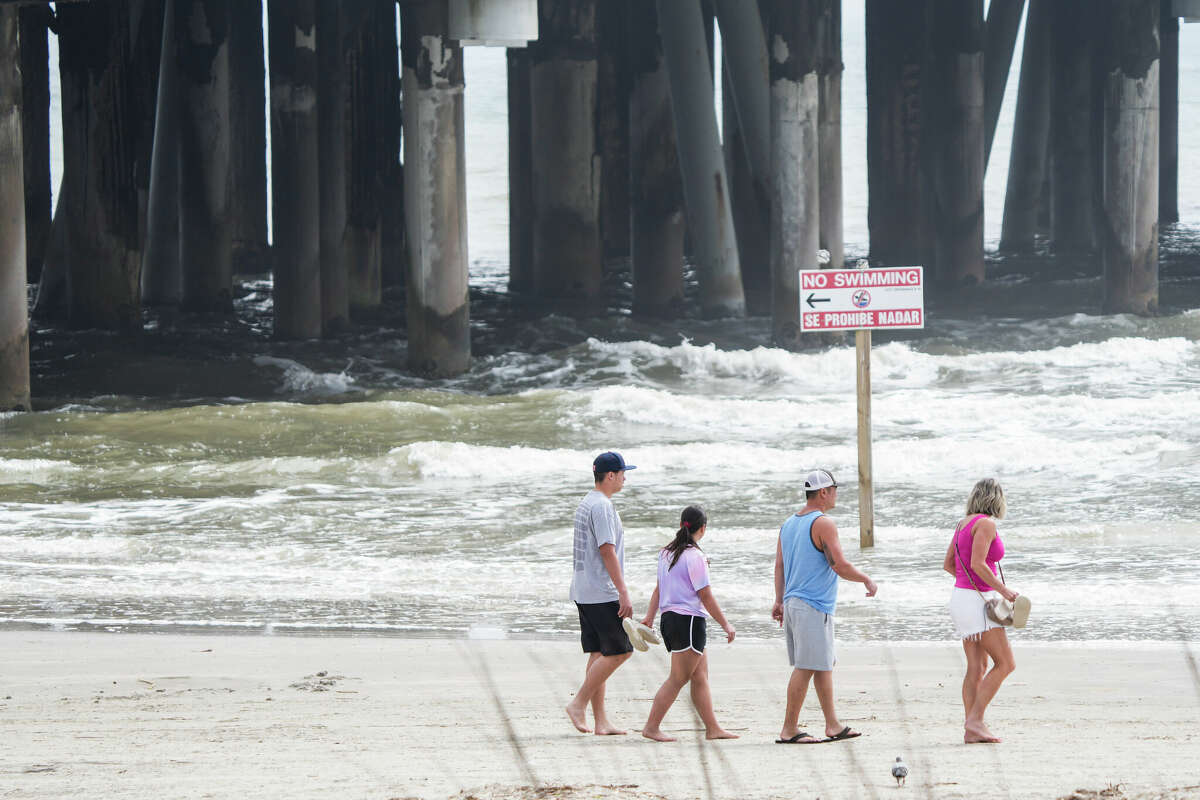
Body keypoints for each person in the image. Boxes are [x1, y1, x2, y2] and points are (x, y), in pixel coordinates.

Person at [772, 469, 877, 744]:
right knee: (807, 666)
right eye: (834, 489)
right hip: (812, 604)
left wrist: (778, 599)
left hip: (794, 602)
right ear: (823, 492)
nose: (836, 494)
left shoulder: (789, 523)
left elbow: (780, 566)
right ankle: (789, 729)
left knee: (823, 664)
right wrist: (866, 579)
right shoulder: (823, 523)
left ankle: (832, 724)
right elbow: (838, 564)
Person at [639, 505, 738, 742]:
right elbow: (706, 596)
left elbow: (659, 588)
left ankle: (713, 728)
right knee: (678, 679)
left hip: (669, 620)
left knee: (700, 676)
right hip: (689, 622)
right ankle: (651, 727)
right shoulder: (695, 557)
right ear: (702, 528)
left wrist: (650, 618)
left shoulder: (666, 553)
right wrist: (726, 625)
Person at [942, 477, 1024, 744]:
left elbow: (949, 565)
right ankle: (975, 720)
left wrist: (969, 589)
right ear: (996, 499)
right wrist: (1003, 591)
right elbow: (978, 564)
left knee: (977, 666)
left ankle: (971, 730)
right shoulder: (986, 524)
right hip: (977, 603)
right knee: (1006, 663)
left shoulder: (963, 523)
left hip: (962, 599)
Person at [566, 451, 637, 735]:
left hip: (584, 588)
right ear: (610, 476)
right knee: (621, 651)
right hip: (601, 590)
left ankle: (601, 721)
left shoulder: (588, 502)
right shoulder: (602, 507)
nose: (624, 478)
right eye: (622, 473)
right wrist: (623, 591)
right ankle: (578, 703)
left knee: (599, 653)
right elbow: (606, 550)